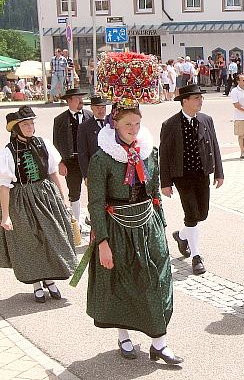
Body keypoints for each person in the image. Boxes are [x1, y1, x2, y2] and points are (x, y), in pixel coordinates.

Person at [86, 98, 182, 364]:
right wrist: (103, 242)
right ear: (114, 123)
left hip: (148, 225)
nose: (133, 128)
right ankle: (124, 335)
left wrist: (161, 225)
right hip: (117, 228)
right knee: (124, 282)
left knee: (157, 280)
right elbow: (95, 203)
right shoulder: (101, 159)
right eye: (128, 124)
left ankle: (159, 343)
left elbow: (154, 193)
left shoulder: (149, 151)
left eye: (137, 123)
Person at [0, 106, 77, 304]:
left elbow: (52, 173)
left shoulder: (43, 144)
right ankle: (37, 284)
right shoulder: (8, 153)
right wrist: (6, 215)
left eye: (31, 123)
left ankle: (50, 280)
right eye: (25, 124)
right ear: (16, 128)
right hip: (21, 200)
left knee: (51, 237)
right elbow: (4, 186)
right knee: (30, 242)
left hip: (45, 196)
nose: (30, 127)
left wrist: (63, 198)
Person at [160, 84, 224, 276]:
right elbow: (164, 154)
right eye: (196, 98)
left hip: (202, 173)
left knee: (201, 214)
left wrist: (219, 173)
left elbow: (215, 145)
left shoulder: (206, 120)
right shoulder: (170, 124)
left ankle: (181, 236)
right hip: (182, 176)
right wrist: (165, 182)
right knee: (191, 213)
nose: (200, 101)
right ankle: (196, 257)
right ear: (184, 101)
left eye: (201, 98)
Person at [53, 88, 92, 232]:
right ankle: (76, 222)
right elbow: (56, 143)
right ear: (69, 101)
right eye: (77, 98)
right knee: (74, 191)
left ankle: (91, 218)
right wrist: (61, 162)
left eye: (81, 98)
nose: (81, 100)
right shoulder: (60, 120)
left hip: (89, 161)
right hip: (71, 161)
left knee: (94, 190)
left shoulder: (90, 116)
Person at [77, 96, 110, 180]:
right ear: (91, 107)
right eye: (98, 107)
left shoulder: (113, 124)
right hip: (95, 170)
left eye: (103, 107)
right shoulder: (84, 127)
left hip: (112, 169)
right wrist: (86, 175)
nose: (101, 110)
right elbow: (82, 153)